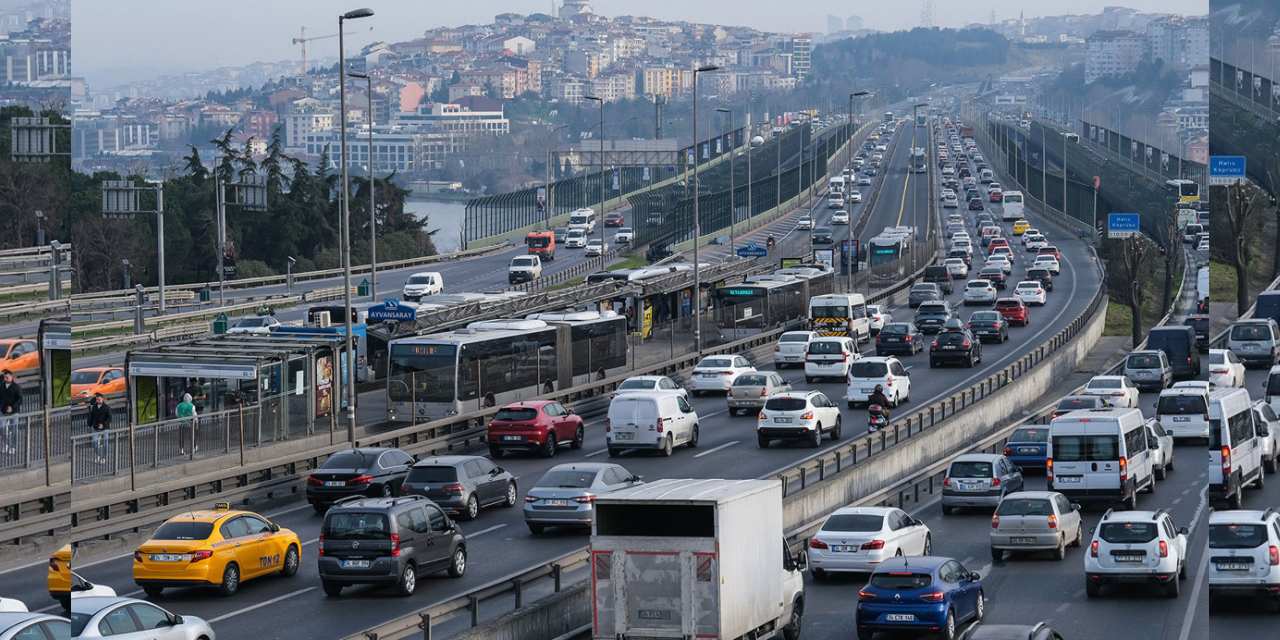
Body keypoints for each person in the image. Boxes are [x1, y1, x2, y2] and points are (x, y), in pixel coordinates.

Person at [0, 370, 21, 455]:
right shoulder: (1, 386)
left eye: (7, 377)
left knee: (14, 429)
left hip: (14, 412)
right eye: (5, 377)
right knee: (2, 429)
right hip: (3, 411)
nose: (5, 378)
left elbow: (20, 399)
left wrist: (12, 407)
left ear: (11, 377)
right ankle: (5, 445)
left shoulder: (16, 387)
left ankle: (13, 447)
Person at [89, 394, 112, 463]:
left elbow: (110, 418)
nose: (98, 400)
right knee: (94, 443)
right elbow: (91, 416)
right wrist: (90, 424)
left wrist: (103, 424)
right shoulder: (94, 407)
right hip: (96, 427)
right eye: (97, 399)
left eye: (99, 399)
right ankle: (98, 455)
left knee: (105, 443)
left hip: (105, 428)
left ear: (103, 399)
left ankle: (104, 457)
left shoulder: (107, 407)